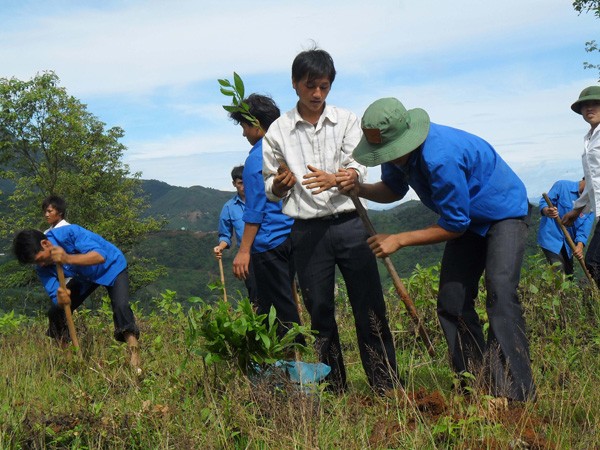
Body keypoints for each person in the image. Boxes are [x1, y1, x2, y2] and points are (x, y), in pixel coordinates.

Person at [345, 97, 536, 401]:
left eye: (391, 153)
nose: (389, 158)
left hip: (504, 214)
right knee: (452, 302)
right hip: (468, 221)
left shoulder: (440, 157)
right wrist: (359, 189)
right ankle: (476, 385)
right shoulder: (397, 154)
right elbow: (393, 189)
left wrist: (399, 238)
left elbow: (455, 224)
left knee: (500, 293)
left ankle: (517, 394)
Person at [262, 48, 398, 394]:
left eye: (324, 86)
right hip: (308, 231)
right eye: (310, 86)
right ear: (295, 84)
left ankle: (385, 386)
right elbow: (269, 187)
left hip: (351, 224)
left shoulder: (346, 120)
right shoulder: (278, 132)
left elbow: (358, 165)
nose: (317, 94)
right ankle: (334, 386)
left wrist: (340, 178)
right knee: (319, 310)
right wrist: (279, 184)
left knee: (369, 306)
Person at [228, 94, 302, 339]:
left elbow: (255, 209)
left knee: (276, 311)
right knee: (287, 301)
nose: (243, 134)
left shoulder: (255, 159)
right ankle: (295, 361)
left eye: (244, 126)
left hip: (268, 242)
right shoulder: (286, 150)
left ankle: (290, 366)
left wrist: (244, 250)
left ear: (256, 124)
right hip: (291, 235)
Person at [13, 226, 141, 368]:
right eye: (36, 263)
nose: (41, 264)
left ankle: (135, 359)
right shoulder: (42, 268)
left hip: (111, 267)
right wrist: (62, 297)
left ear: (45, 244)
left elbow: (99, 256)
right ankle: (70, 361)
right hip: (85, 278)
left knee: (121, 306)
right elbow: (55, 295)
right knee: (56, 312)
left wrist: (67, 258)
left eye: (40, 259)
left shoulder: (69, 233)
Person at [562, 86, 600, 286]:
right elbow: (593, 181)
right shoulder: (589, 138)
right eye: (585, 106)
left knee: (594, 264)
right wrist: (577, 210)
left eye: (595, 104)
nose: (589, 109)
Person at [213, 166, 258, 304]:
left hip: (269, 250)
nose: (244, 186)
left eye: (246, 182)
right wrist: (220, 247)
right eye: (240, 183)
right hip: (248, 257)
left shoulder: (260, 200)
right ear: (234, 184)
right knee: (255, 294)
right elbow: (225, 235)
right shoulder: (229, 208)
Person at [538, 179, 593, 276]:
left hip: (568, 243)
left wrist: (579, 247)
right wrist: (548, 211)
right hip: (551, 237)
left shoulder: (591, 203)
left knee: (569, 276)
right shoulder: (562, 186)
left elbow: (584, 229)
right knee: (558, 271)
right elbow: (544, 203)